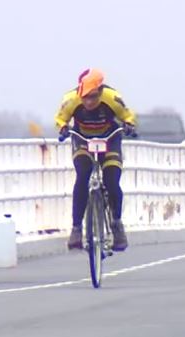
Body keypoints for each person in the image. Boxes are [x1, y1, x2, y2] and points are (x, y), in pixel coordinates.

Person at [54, 69, 136, 251]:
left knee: (112, 181)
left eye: (93, 97)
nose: (88, 102)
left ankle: (116, 224)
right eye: (85, 97)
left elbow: (127, 116)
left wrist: (129, 125)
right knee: (82, 176)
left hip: (109, 139)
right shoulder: (71, 100)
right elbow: (61, 119)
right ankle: (76, 229)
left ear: (100, 92)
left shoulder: (112, 98)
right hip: (83, 140)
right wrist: (63, 128)